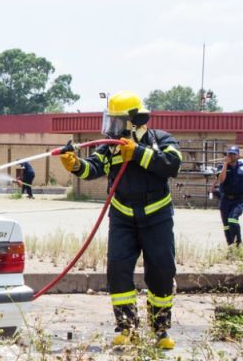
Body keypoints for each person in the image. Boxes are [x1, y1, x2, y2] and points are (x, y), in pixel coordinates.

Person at [58, 91, 182, 350]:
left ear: (134, 120)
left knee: (161, 271)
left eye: (117, 121)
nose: (111, 128)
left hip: (156, 217)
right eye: (110, 121)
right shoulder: (111, 147)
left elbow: (172, 164)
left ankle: (160, 330)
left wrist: (138, 152)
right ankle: (127, 328)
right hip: (123, 217)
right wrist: (74, 164)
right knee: (118, 271)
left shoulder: (160, 140)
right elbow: (94, 167)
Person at [211, 146, 243, 247]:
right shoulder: (221, 167)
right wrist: (225, 165)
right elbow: (221, 180)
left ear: (237, 155)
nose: (231, 156)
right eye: (229, 154)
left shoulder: (242, 166)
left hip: (239, 199)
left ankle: (238, 244)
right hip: (225, 199)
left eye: (233, 154)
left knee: (232, 219)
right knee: (226, 226)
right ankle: (230, 246)